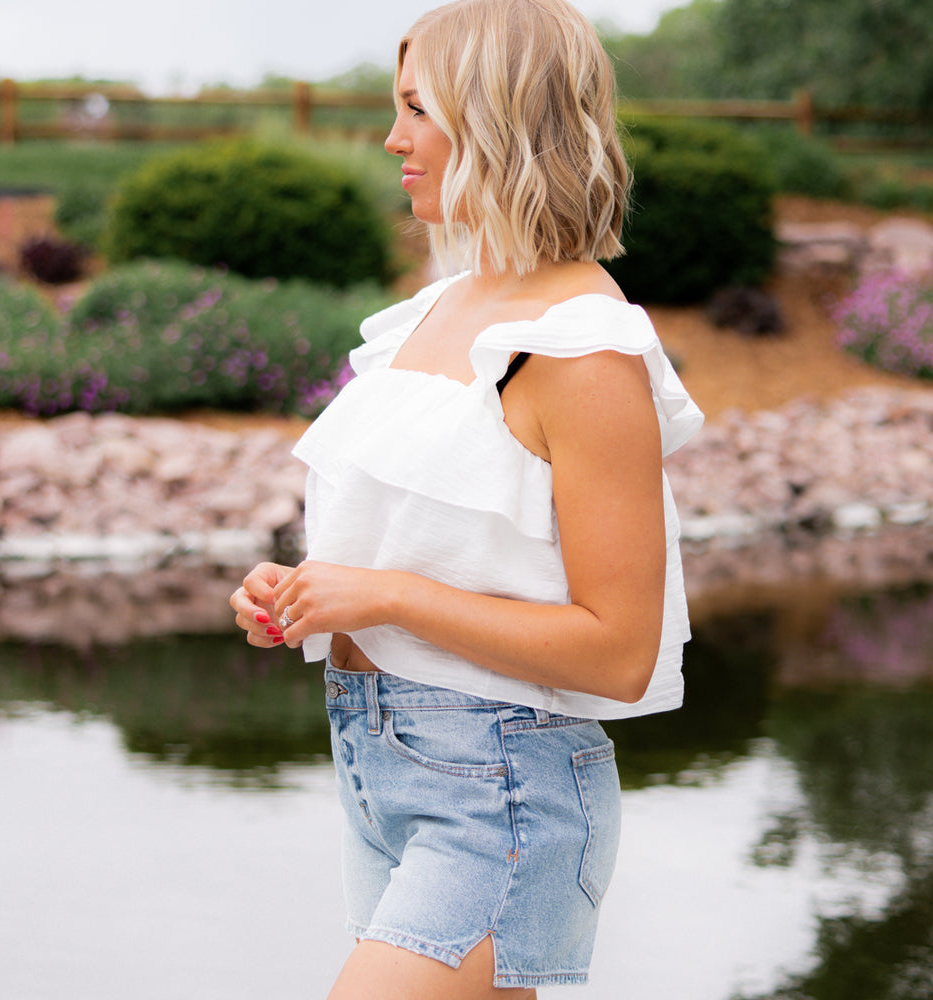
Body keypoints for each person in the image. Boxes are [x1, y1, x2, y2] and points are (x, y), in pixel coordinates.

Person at [230, 0, 703, 995]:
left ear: (497, 119)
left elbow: (619, 651)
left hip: (500, 793)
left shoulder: (581, 345)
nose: (393, 139)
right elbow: (411, 547)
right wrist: (306, 591)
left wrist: (385, 596)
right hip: (378, 764)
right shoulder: (438, 308)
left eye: (417, 109)